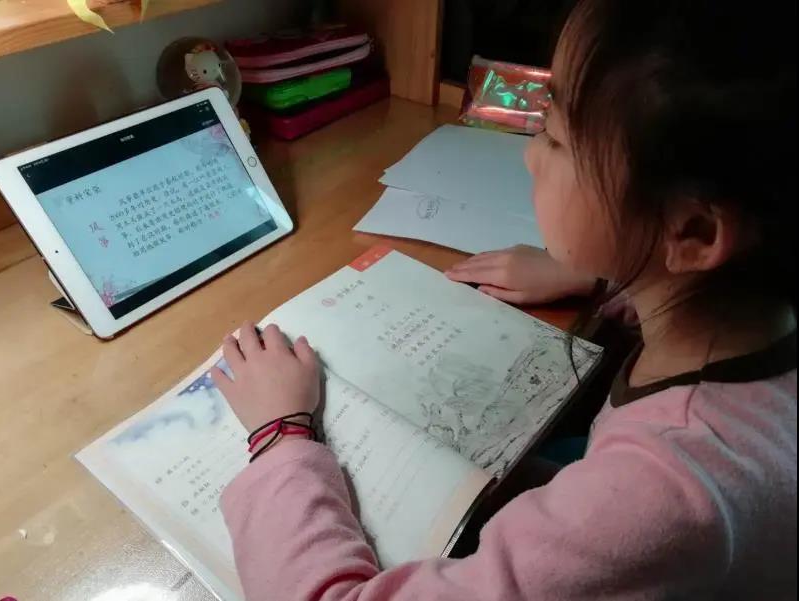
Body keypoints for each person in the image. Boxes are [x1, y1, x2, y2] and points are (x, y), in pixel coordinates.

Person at [211, 1, 797, 598]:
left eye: (556, 138)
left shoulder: (663, 492)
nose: (530, 154)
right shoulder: (756, 323)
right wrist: (607, 279)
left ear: (692, 233)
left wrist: (280, 435)